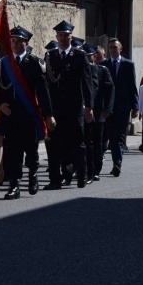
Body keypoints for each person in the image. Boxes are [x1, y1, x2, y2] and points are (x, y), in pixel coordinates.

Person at [0, 26, 54, 199]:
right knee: (12, 152)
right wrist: (0, 104)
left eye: (19, 41)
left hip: (29, 115)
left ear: (26, 43)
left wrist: (48, 115)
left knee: (31, 150)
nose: (16, 44)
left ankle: (33, 174)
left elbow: (43, 92)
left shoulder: (34, 63)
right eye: (13, 41)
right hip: (11, 116)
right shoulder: (3, 64)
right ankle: (14, 185)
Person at [44, 20, 93, 189]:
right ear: (56, 37)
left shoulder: (79, 56)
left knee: (78, 144)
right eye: (61, 35)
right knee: (55, 144)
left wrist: (89, 107)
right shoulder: (50, 56)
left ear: (71, 37)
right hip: (57, 109)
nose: (63, 38)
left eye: (66, 36)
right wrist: (47, 111)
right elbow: (48, 86)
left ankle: (81, 175)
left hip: (74, 108)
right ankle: (55, 180)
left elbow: (87, 83)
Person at [102, 38, 139, 176]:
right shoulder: (104, 65)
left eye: (115, 47)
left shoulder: (128, 65)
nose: (112, 49)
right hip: (107, 108)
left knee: (119, 136)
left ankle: (117, 163)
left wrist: (135, 106)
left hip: (123, 106)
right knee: (108, 136)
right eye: (110, 47)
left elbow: (132, 86)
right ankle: (107, 163)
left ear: (120, 49)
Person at [83, 44, 114, 182]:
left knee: (97, 142)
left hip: (98, 111)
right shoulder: (79, 70)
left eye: (89, 56)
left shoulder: (102, 70)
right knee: (85, 142)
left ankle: (96, 170)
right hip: (82, 112)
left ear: (94, 57)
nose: (87, 59)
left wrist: (107, 108)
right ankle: (85, 170)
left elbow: (110, 89)